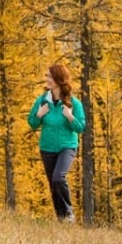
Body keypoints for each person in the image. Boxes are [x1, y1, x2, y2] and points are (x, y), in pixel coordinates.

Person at [27, 63, 86, 223]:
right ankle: (61, 218)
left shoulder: (74, 103)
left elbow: (80, 127)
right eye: (47, 76)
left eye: (50, 77)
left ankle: (68, 214)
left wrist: (70, 116)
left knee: (59, 178)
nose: (47, 79)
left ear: (59, 80)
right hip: (47, 147)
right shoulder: (42, 101)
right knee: (53, 183)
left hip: (67, 146)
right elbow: (32, 123)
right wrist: (39, 115)